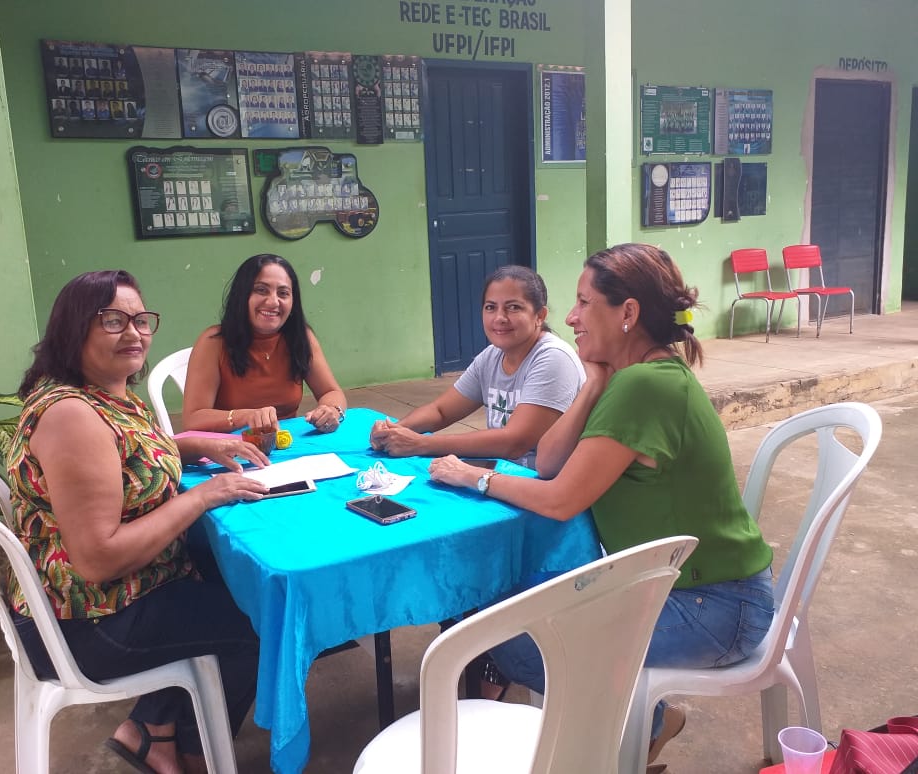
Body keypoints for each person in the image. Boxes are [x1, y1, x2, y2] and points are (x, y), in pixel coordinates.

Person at [428, 243, 775, 772]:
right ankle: (634, 724)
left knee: (514, 641)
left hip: (714, 608)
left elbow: (560, 498)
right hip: (682, 590)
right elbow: (547, 461)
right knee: (512, 605)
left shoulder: (645, 386)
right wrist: (591, 384)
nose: (569, 318)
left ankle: (627, 733)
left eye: (583, 302)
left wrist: (470, 475)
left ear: (628, 314)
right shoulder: (630, 378)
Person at [8, 270, 268, 774]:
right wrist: (206, 494)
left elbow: (126, 457)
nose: (134, 333)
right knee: (259, 620)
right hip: (89, 624)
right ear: (74, 330)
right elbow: (99, 558)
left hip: (113, 597)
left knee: (230, 571)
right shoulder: (72, 415)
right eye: (112, 321)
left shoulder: (102, 394)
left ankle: (152, 727)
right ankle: (195, 752)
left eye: (140, 320)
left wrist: (199, 445)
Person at [370, 265, 585, 469]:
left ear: (540, 316)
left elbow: (514, 442)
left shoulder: (553, 358)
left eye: (514, 307)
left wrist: (421, 444)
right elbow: (441, 411)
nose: (500, 318)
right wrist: (396, 430)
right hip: (501, 473)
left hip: (541, 483)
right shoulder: (491, 356)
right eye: (491, 307)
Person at [182, 253, 347, 434]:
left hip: (287, 446)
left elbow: (331, 392)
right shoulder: (214, 342)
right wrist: (247, 417)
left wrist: (331, 410)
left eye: (283, 293)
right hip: (229, 450)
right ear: (242, 295)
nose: (273, 301)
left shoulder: (300, 337)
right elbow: (193, 419)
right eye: (261, 290)